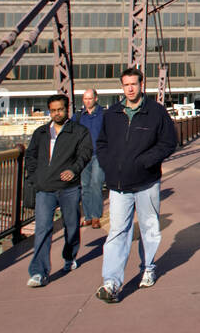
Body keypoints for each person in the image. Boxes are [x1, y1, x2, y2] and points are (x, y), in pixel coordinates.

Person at [94, 67, 178, 303]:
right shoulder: (112, 114)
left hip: (146, 181)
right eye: (125, 84)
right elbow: (101, 144)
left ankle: (148, 267)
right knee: (117, 231)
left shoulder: (156, 113)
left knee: (149, 228)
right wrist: (108, 165)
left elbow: (169, 142)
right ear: (122, 87)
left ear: (142, 84)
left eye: (133, 84)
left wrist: (146, 162)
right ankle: (111, 283)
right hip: (119, 184)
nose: (130, 88)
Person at [23, 94, 92, 288]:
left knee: (71, 227)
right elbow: (31, 156)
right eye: (53, 110)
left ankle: (69, 257)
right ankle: (39, 272)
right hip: (45, 189)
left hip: (69, 188)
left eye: (60, 109)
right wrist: (36, 178)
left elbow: (85, 154)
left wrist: (74, 170)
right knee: (43, 229)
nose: (56, 113)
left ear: (67, 109)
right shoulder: (41, 133)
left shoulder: (79, 131)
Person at [72, 88, 106, 229]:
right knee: (85, 186)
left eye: (90, 98)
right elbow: (70, 133)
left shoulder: (104, 115)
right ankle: (87, 216)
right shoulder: (79, 116)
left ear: (96, 98)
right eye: (85, 99)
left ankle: (96, 216)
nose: (87, 101)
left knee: (96, 184)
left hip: (99, 154)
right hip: (83, 156)